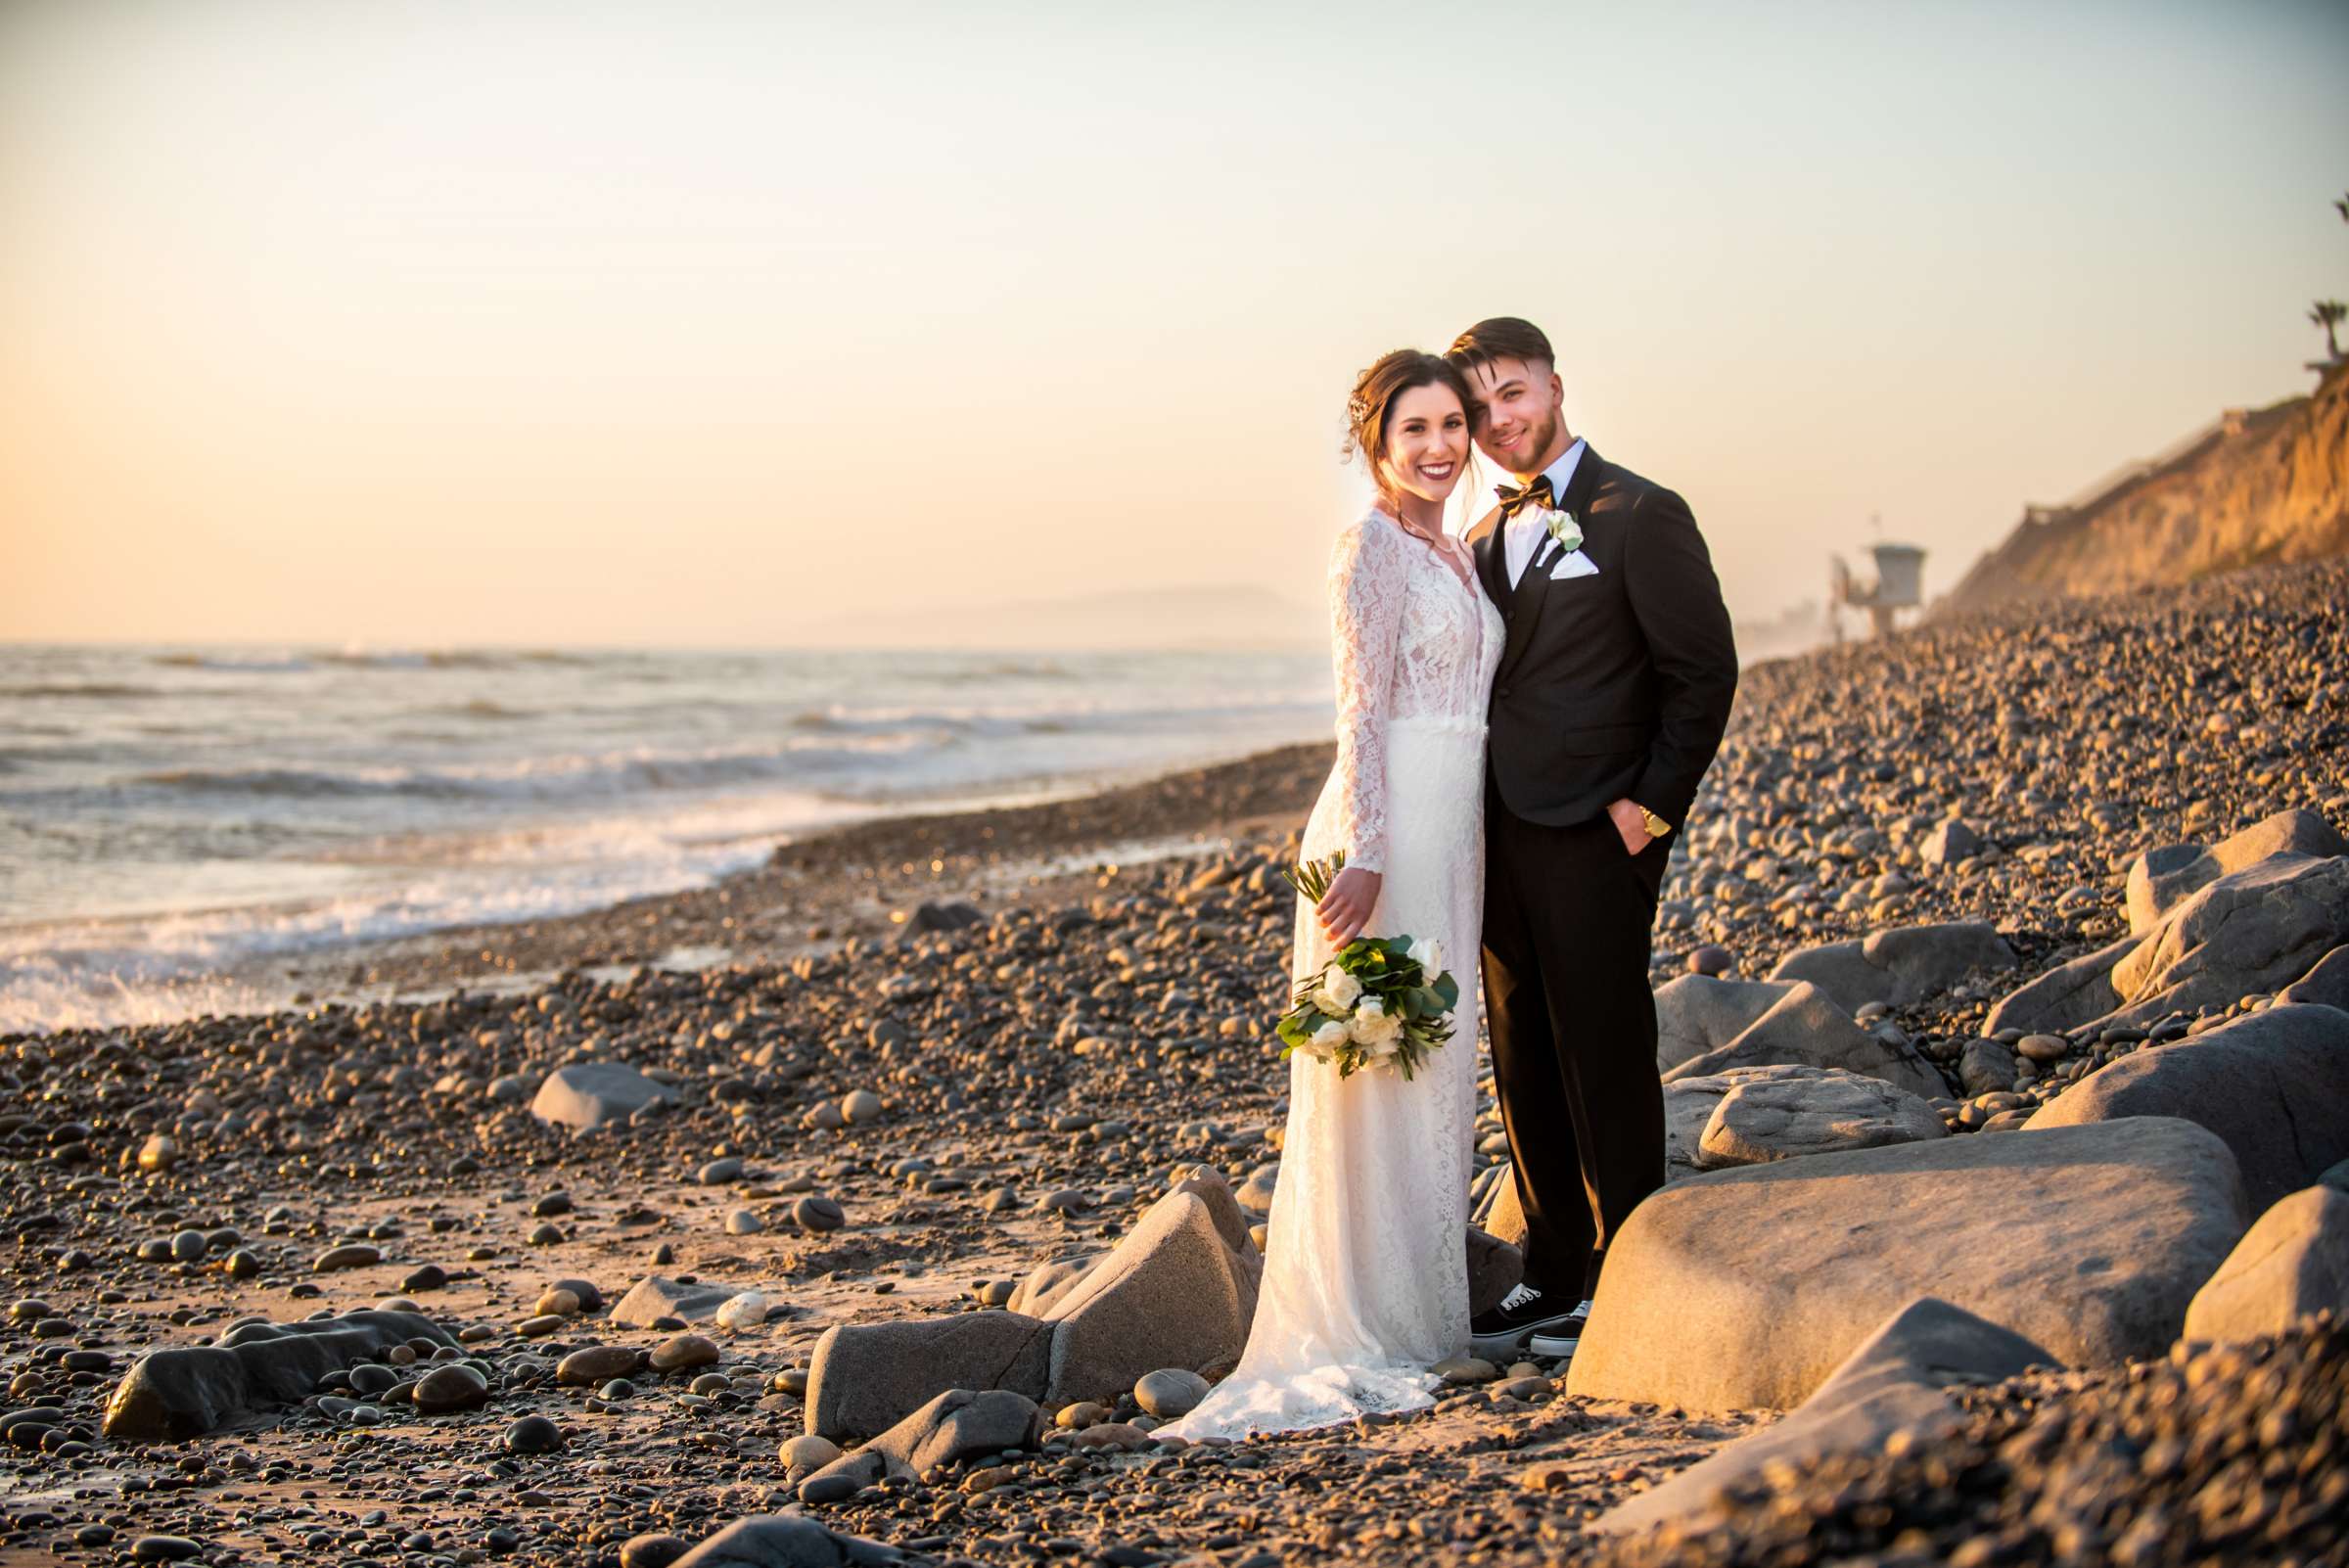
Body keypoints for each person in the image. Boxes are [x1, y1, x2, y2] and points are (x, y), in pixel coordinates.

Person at [1163, 349, 1502, 1440]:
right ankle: (1368, 1319)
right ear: (1377, 444)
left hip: (1456, 830)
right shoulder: (1369, 549)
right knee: (1379, 1062)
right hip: (1386, 832)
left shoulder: (1452, 549)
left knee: (1437, 1060)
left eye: (1454, 424)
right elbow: (1359, 709)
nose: (1442, 446)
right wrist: (1363, 849)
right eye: (1418, 430)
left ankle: (1425, 1310)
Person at [1446, 317, 1738, 1360]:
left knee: (1605, 1047)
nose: (1498, 422)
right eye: (1479, 410)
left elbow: (1702, 674)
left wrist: (1649, 811)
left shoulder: (1638, 514)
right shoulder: (1478, 541)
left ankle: (1633, 1267)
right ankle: (1554, 1270)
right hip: (1497, 832)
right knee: (1522, 1051)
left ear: (1555, 387)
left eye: (1512, 395)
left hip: (1598, 829)